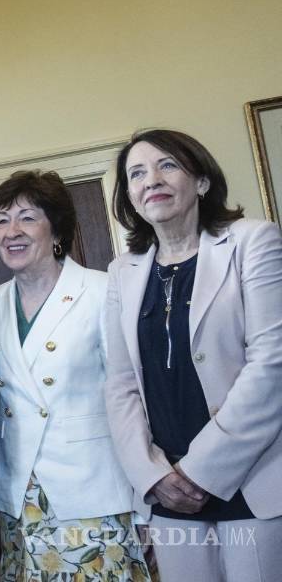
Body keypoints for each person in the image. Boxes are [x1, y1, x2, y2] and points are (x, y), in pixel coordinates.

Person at [104, 129, 282, 581]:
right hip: (168, 491)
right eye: (136, 173)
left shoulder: (252, 241)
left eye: (167, 165)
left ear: (200, 181)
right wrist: (151, 475)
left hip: (248, 478)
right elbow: (120, 383)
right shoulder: (122, 271)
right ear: (130, 196)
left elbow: (271, 365)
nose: (151, 180)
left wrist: (200, 470)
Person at [0, 171, 150, 580]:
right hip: (19, 496)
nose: (11, 232)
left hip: (93, 492)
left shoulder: (101, 290)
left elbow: (134, 399)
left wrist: (146, 499)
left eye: (26, 218)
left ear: (56, 228)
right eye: (3, 220)